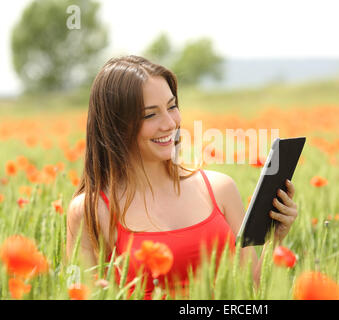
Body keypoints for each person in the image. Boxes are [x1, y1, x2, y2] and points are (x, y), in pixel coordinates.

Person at [66, 55, 299, 299]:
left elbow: (252, 290)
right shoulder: (91, 210)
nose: (169, 123)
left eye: (172, 106)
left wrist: (276, 239)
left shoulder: (220, 189)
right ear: (116, 125)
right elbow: (77, 291)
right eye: (150, 115)